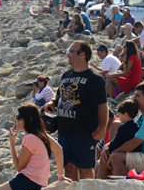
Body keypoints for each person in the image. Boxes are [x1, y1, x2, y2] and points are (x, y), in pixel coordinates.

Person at [44, 41, 108, 181]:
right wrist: (52, 102)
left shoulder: (94, 78)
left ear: (82, 54)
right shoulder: (66, 75)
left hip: (84, 132)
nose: (68, 55)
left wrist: (102, 128)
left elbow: (102, 106)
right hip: (64, 132)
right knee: (69, 167)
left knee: (85, 170)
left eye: (71, 52)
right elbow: (59, 95)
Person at [96, 99, 140, 179]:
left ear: (126, 114)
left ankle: (101, 184)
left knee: (104, 159)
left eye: (120, 114)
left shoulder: (120, 126)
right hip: (133, 153)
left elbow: (115, 142)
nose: (119, 117)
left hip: (124, 155)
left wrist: (109, 149)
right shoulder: (137, 126)